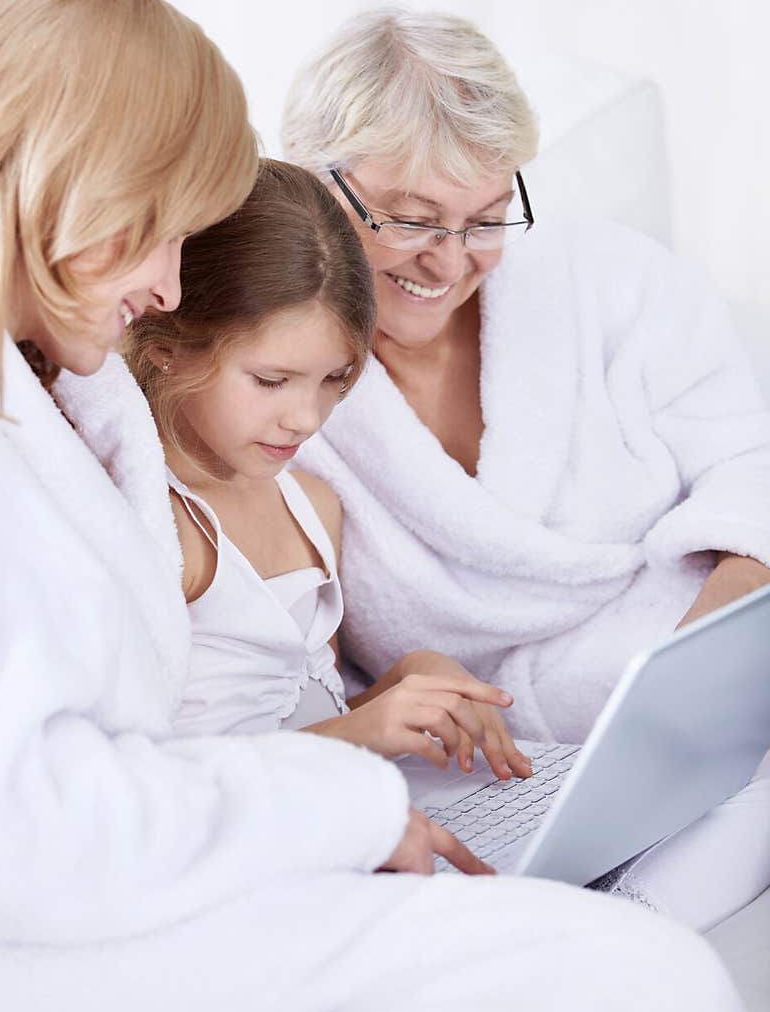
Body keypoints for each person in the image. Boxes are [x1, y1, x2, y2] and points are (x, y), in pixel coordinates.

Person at [0, 0, 766, 1012]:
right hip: (42, 949)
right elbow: (21, 827)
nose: (165, 286)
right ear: (81, 181)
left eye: (481, 216)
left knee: (652, 991)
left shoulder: (25, 379)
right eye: (161, 237)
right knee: (652, 997)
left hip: (189, 846)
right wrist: (339, 803)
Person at [283, 6, 770, 932]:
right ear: (316, 183)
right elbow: (298, 657)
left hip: (708, 715)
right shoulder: (276, 388)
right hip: (507, 769)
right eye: (414, 220)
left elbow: (752, 470)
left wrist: (699, 669)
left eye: (487, 218)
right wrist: (393, 687)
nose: (452, 260)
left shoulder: (615, 283)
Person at [125, 157, 531, 787]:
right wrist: (359, 731)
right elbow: (142, 781)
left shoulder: (313, 506)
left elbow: (304, 716)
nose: (305, 418)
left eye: (335, 380)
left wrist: (409, 683)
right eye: (270, 381)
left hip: (336, 815)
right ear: (166, 350)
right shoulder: (155, 529)